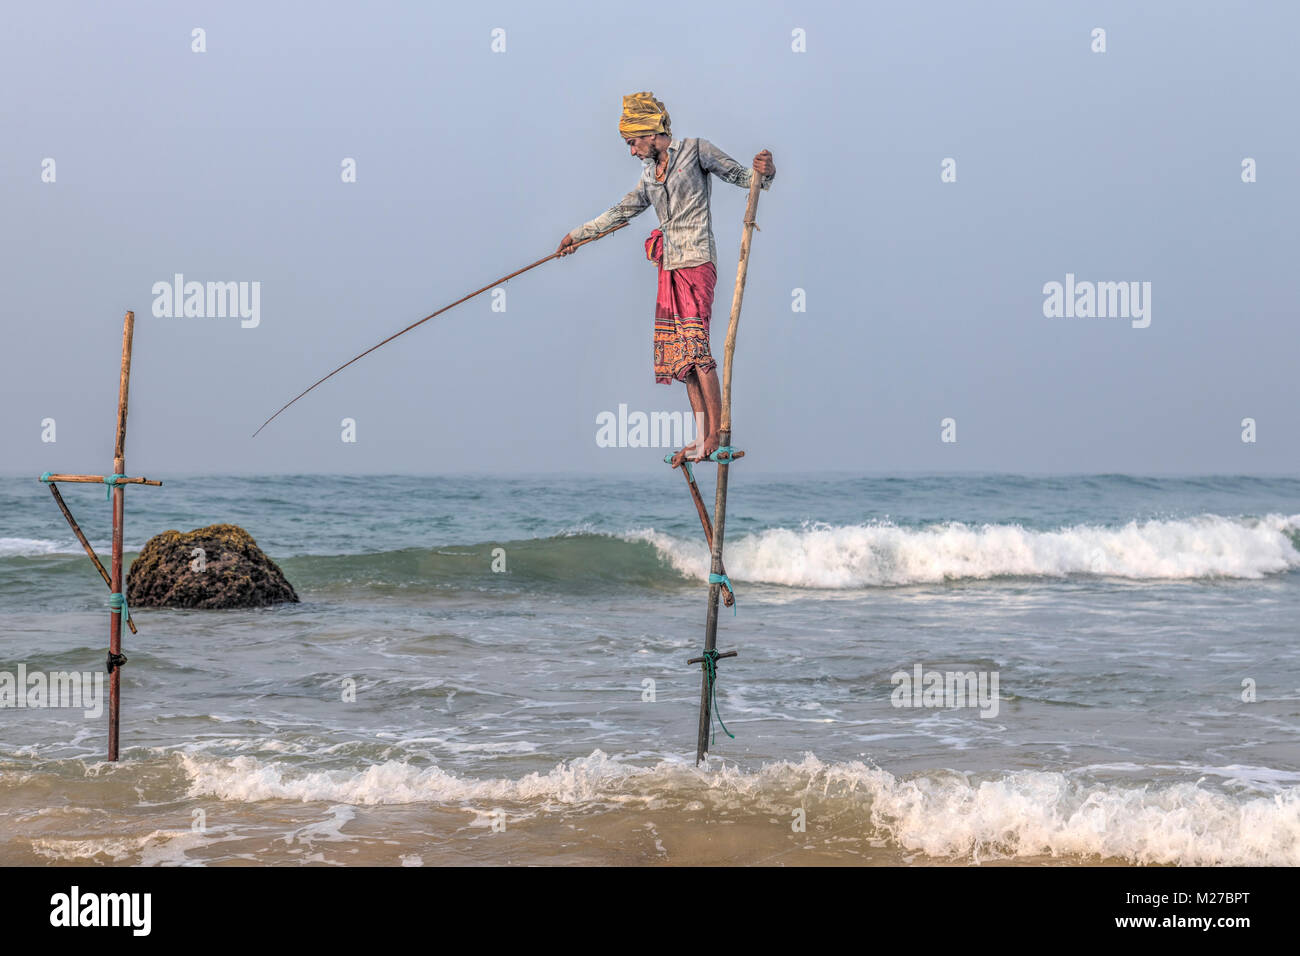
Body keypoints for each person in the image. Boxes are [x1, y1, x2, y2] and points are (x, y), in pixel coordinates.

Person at [557, 92, 775, 465]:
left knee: (699, 351)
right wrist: (577, 236)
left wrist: (764, 171)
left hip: (697, 262)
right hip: (669, 268)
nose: (632, 151)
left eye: (632, 142)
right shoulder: (648, 178)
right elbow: (620, 211)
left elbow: (746, 178)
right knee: (682, 360)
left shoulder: (696, 151)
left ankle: (718, 437)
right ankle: (701, 438)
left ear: (651, 132)